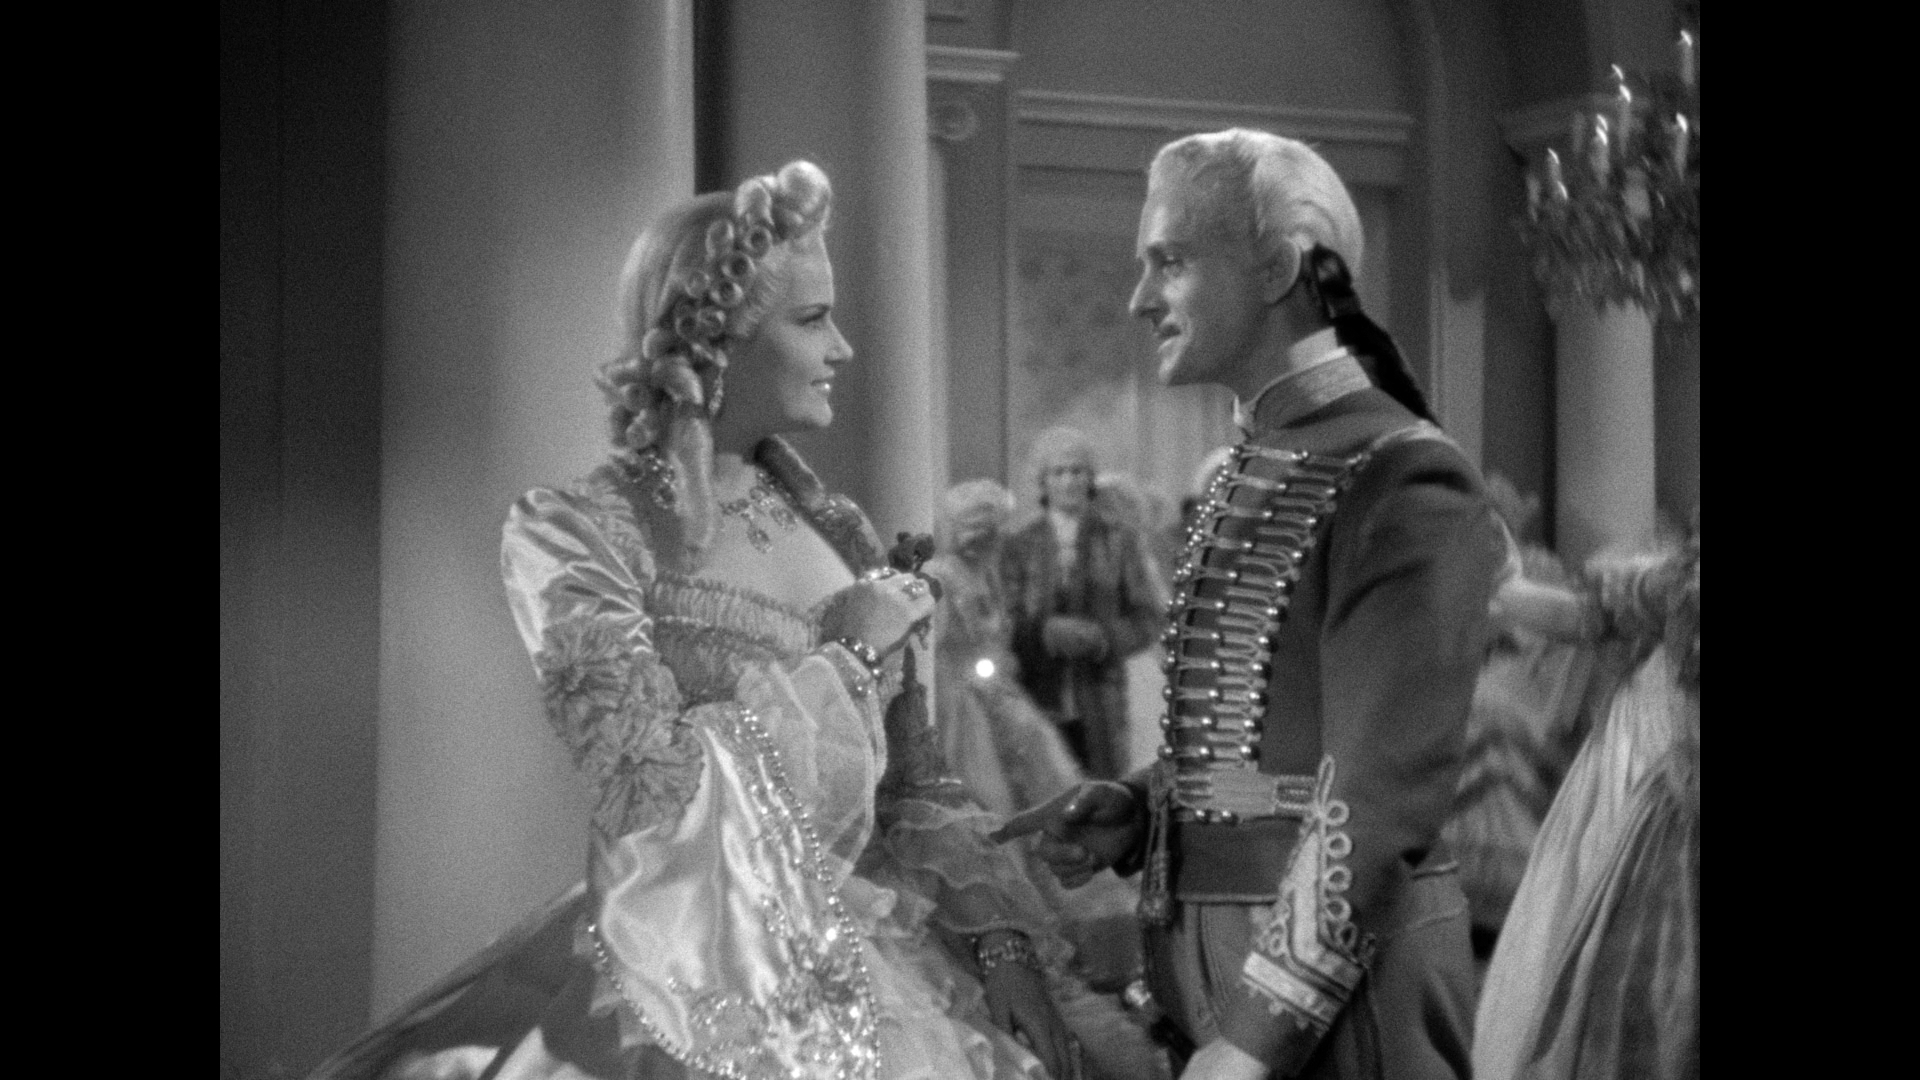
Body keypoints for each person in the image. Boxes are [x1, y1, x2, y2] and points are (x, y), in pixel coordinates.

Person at [309, 161, 1088, 1080]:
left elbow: (915, 781)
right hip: (687, 970)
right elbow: (652, 788)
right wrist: (845, 655)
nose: (843, 348)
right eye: (811, 319)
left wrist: (1000, 945)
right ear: (717, 338)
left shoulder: (837, 528)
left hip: (881, 965)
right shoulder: (582, 532)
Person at [997, 129, 1507, 1080]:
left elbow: (1378, 794)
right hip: (1223, 970)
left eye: (1170, 262)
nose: (1140, 299)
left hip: (1343, 1002)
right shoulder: (1257, 458)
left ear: (1277, 267)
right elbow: (1276, 741)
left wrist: (1256, 1035)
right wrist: (1143, 807)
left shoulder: (1401, 474)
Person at [1471, 517, 1699, 1080]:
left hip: (1665, 791)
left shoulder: (1678, 588)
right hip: (1650, 771)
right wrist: (1508, 589)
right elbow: (1594, 616)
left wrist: (1508, 588)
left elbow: (1592, 616)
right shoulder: (1675, 585)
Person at [1001, 428, 1164, 780]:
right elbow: (1004, 617)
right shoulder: (1019, 544)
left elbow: (1149, 616)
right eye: (1059, 472)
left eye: (1078, 471)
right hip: (1037, 691)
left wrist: (1103, 637)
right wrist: (1042, 633)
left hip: (1101, 695)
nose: (1069, 481)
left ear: (1090, 477)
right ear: (1043, 481)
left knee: (1101, 786)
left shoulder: (1119, 539)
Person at [924, 479, 1087, 819]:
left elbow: (997, 636)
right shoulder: (941, 577)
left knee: (1034, 743)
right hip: (956, 696)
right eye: (989, 531)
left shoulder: (988, 574)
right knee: (980, 778)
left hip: (993, 686)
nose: (998, 539)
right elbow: (932, 646)